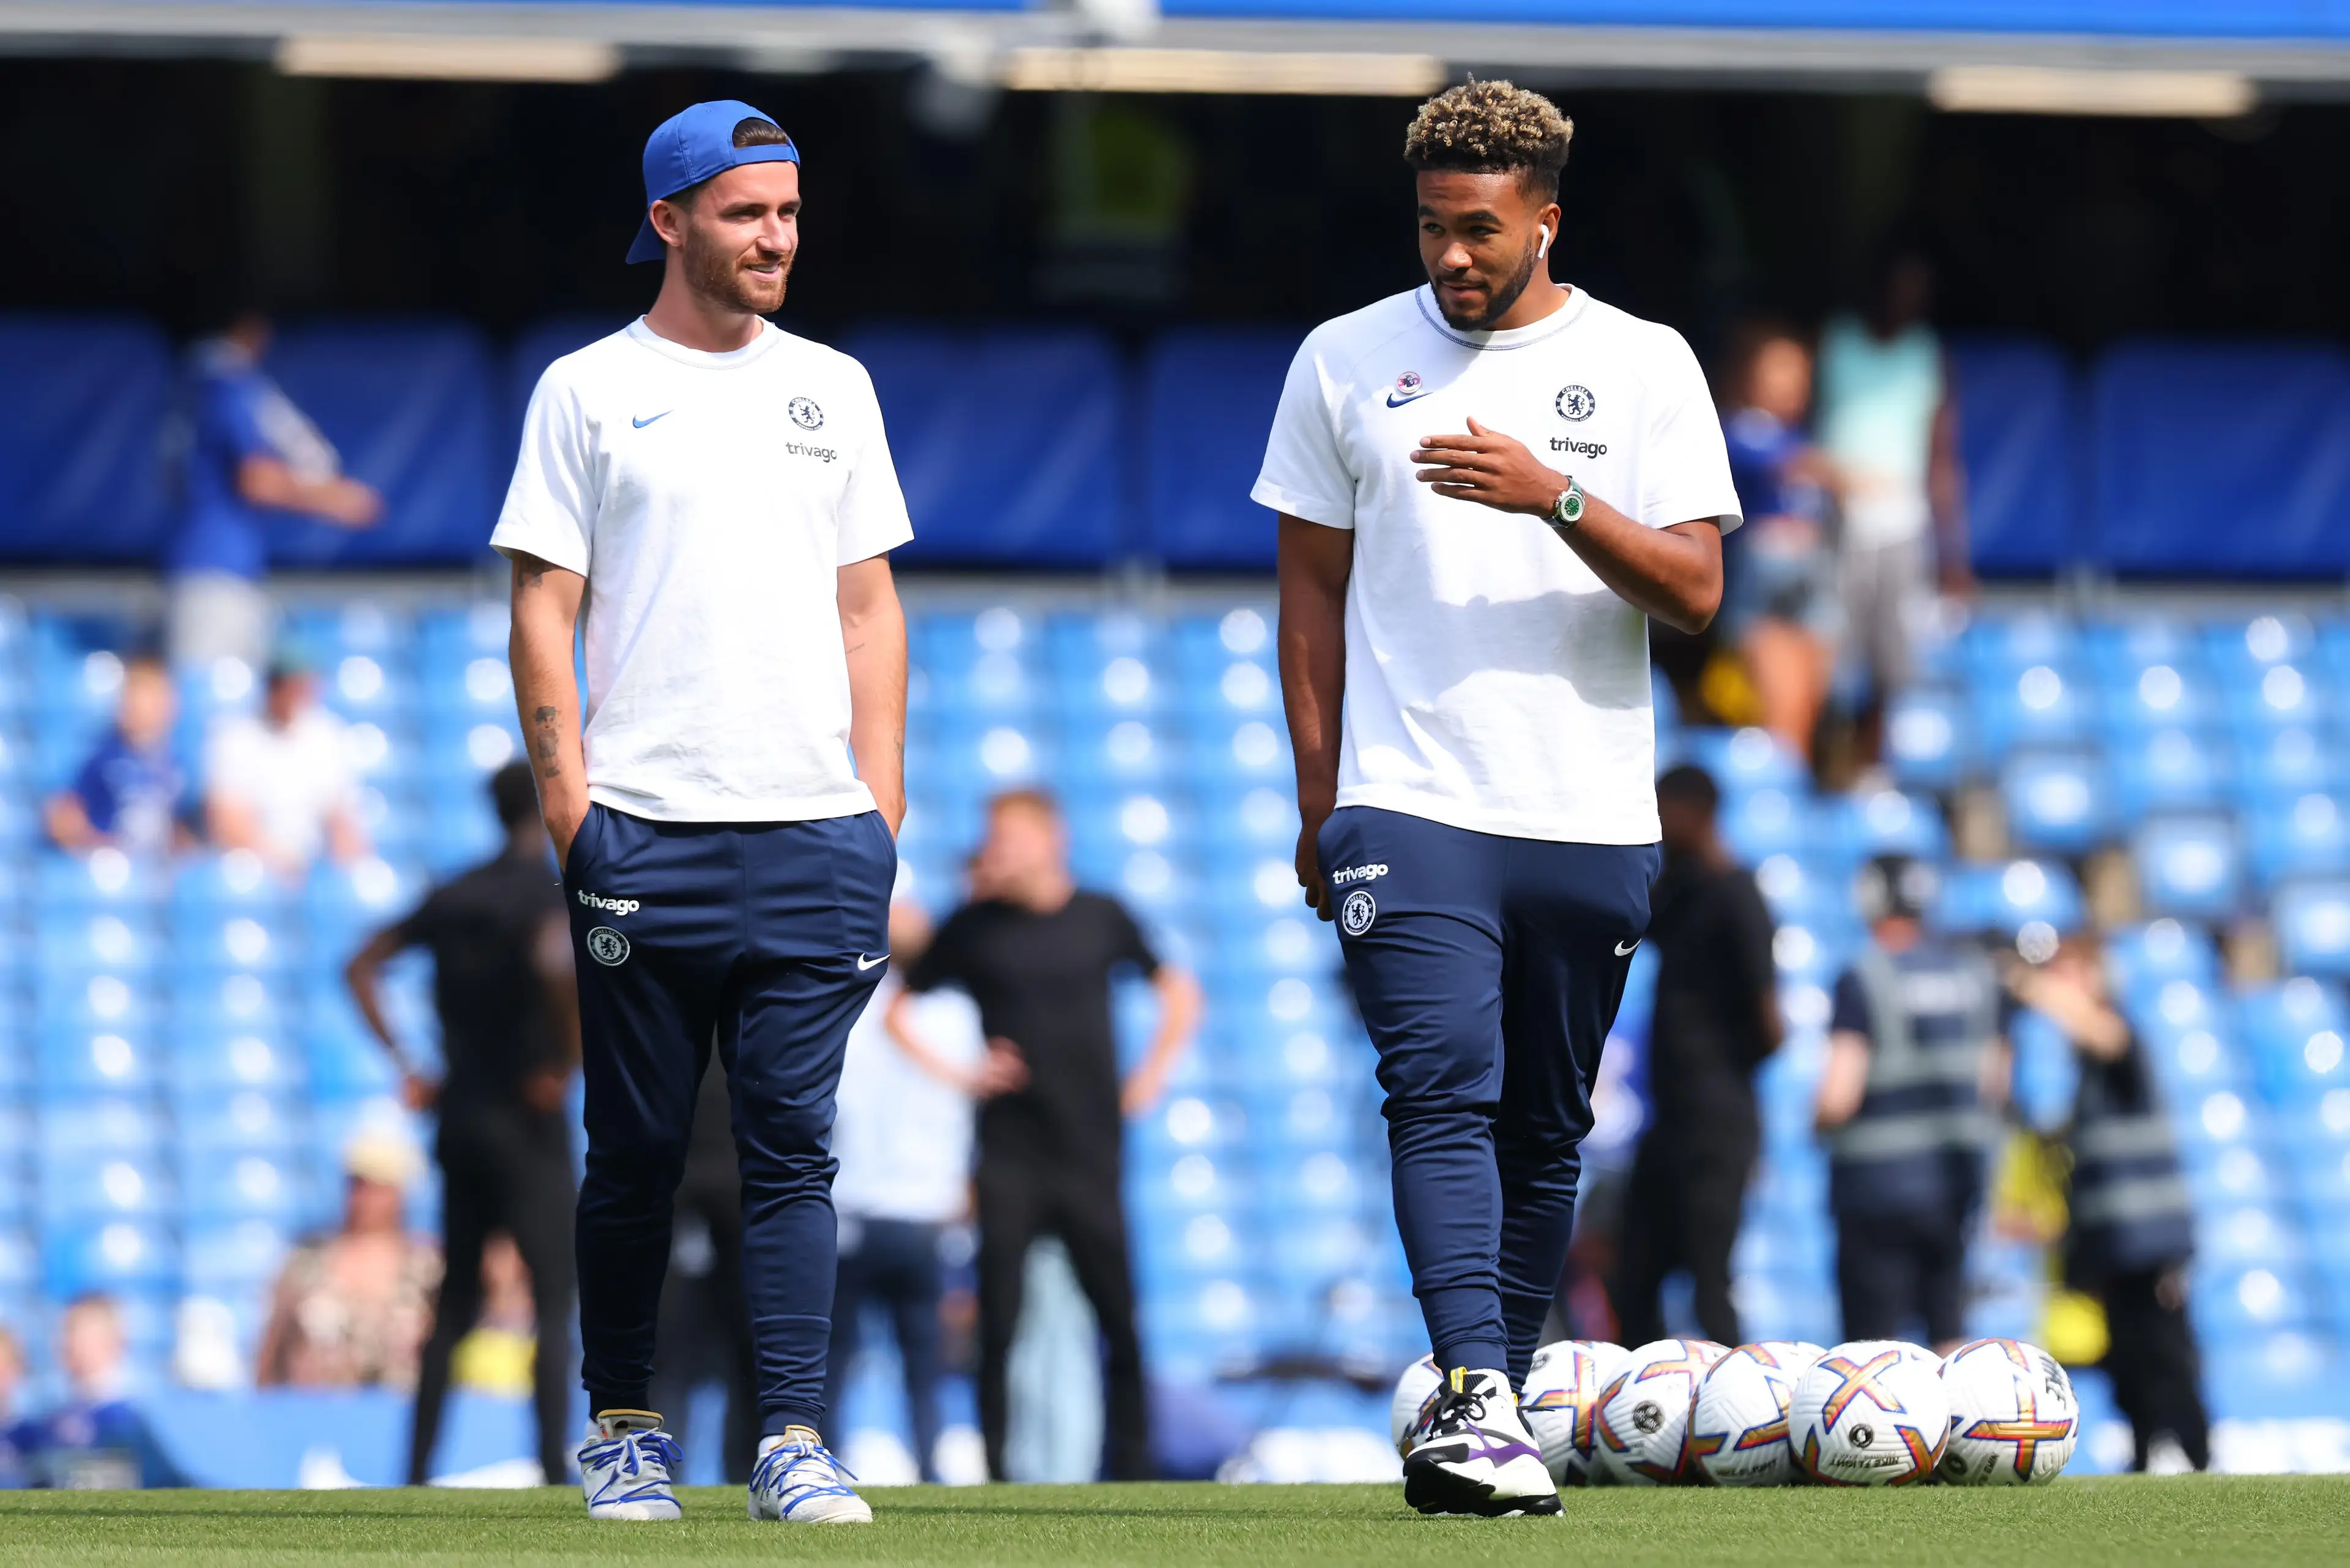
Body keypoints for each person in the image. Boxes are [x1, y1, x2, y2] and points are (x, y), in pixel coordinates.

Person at [1256, 80, 1740, 1517]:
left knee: (1545, 1127)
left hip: (1586, 811)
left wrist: (1554, 497)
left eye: (1477, 228)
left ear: (1543, 217)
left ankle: (1500, 1401)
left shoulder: (1644, 366)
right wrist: (1318, 799)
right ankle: (1470, 1388)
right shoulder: (1343, 361)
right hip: (1410, 803)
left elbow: (1700, 593)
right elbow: (1306, 597)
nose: (1450, 258)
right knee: (1436, 1089)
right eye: (1428, 228)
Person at [492, 99, 911, 1524]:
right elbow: (540, 611)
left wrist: (881, 817)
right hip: (646, 838)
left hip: (813, 837)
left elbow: (869, 609)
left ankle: (792, 1438)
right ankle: (623, 1431)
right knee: (637, 1158)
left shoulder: (835, 389)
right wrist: (575, 818)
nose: (775, 238)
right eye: (745, 213)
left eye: (787, 212)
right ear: (669, 221)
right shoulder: (586, 390)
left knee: (796, 1154)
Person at [889, 790, 1200, 1484]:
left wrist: (1151, 1075)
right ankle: (998, 1474)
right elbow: (899, 1011)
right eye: (993, 837)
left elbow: (1178, 991)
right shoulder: (972, 926)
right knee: (998, 1320)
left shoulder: (1101, 916)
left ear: (1050, 839)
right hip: (1009, 1157)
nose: (998, 850)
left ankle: (1133, 1469)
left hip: (1091, 1156)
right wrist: (965, 1073)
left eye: (1009, 837)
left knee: (1118, 1319)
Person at [344, 761, 580, 1488]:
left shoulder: (453, 894)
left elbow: (361, 966)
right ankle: (549, 1466)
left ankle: (417, 1469)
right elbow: (556, 967)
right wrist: (565, 1060)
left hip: (462, 1115)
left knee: (455, 1302)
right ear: (541, 810)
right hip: (529, 1119)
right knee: (552, 1295)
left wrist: (409, 1065)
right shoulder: (549, 893)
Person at [2007, 933, 2209, 1473]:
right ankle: (2146, 1454)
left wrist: (2031, 984)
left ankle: (2197, 1455)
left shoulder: (2121, 1040)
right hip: (2115, 1243)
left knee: (2166, 1354)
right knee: (2129, 1361)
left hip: (2149, 1238)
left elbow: (2101, 1033)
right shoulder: (2082, 1070)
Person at [1608, 765, 1780, 1348]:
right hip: (1670, 1125)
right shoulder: (1681, 892)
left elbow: (1771, 1022)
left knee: (1709, 1284)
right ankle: (1640, 1413)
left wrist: (1718, 1074)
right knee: (1632, 1279)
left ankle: (1747, 1419)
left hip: (1716, 1127)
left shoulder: (1736, 895)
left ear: (1696, 812)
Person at [1813, 854, 2007, 1352]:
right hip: (1953, 1182)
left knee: (1873, 1345)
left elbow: (1838, 1096)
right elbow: (1995, 1083)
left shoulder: (1865, 976)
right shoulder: (1975, 975)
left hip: (1877, 1189)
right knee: (1948, 1327)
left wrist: (1815, 1125)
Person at [825, 900, 983, 1483]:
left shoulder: (846, 1010)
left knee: (834, 1360)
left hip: (853, 1208)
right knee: (924, 1362)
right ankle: (931, 1470)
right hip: (927, 1211)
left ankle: (825, 1472)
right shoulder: (959, 1011)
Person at [166, 310, 381, 672]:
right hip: (215, 571)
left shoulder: (192, 381)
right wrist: (336, 499)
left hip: (207, 564)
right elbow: (254, 479)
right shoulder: (225, 384)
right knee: (210, 698)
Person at [1815, 246, 1969, 738]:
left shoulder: (1928, 354)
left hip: (1903, 520)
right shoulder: (1836, 342)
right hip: (1837, 519)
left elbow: (1942, 459)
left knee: (1892, 655)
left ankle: (1871, 763)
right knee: (1830, 645)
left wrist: (1955, 560)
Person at [1718, 321, 1841, 763]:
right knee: (1781, 702)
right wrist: (1847, 475)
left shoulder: (1800, 436)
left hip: (1811, 579)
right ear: (1751, 376)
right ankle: (1778, 794)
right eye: (1778, 370)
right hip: (1765, 582)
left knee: (1810, 701)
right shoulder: (1739, 428)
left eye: (1798, 372)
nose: (1791, 383)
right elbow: (1797, 467)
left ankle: (1794, 789)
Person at [255, 1134, 442, 1389]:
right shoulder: (307, 1262)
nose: (365, 1196)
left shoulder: (428, 1268)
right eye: (357, 1184)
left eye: (378, 1186)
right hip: (315, 1416)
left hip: (402, 1414)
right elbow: (272, 1348)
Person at [203, 652, 367, 875]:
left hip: (311, 869)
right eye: (289, 685)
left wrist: (345, 864)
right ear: (272, 687)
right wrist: (280, 861)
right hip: (252, 870)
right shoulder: (236, 737)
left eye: (303, 686)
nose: (296, 695)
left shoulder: (327, 735)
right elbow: (228, 821)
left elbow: (342, 819)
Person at [11, 1295, 188, 1488]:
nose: (68, 1343)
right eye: (66, 1332)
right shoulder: (52, 1420)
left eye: (79, 1333)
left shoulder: (135, 1418)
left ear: (115, 1342)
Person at [45, 652, 188, 857]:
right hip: (113, 869)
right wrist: (94, 843)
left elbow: (177, 824)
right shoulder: (106, 759)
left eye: (157, 700)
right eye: (139, 700)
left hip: (157, 871)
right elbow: (64, 815)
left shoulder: (174, 763)